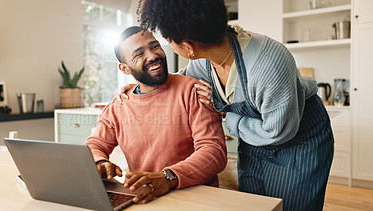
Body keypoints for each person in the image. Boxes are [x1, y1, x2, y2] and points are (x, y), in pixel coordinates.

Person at [126, 0, 334, 210]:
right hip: (255, 137)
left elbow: (279, 132)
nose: (169, 46)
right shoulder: (203, 61)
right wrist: (136, 89)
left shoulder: (268, 64)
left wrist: (225, 113)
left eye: (169, 42)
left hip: (296, 137)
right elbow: (180, 81)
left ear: (189, 47)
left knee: (290, 206)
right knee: (255, 204)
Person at [85, 26, 227, 204]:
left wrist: (168, 177)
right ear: (125, 69)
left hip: (196, 199)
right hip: (146, 198)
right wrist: (100, 162)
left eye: (154, 46)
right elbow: (93, 144)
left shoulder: (193, 90)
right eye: (139, 54)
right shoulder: (118, 105)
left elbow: (214, 152)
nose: (152, 56)